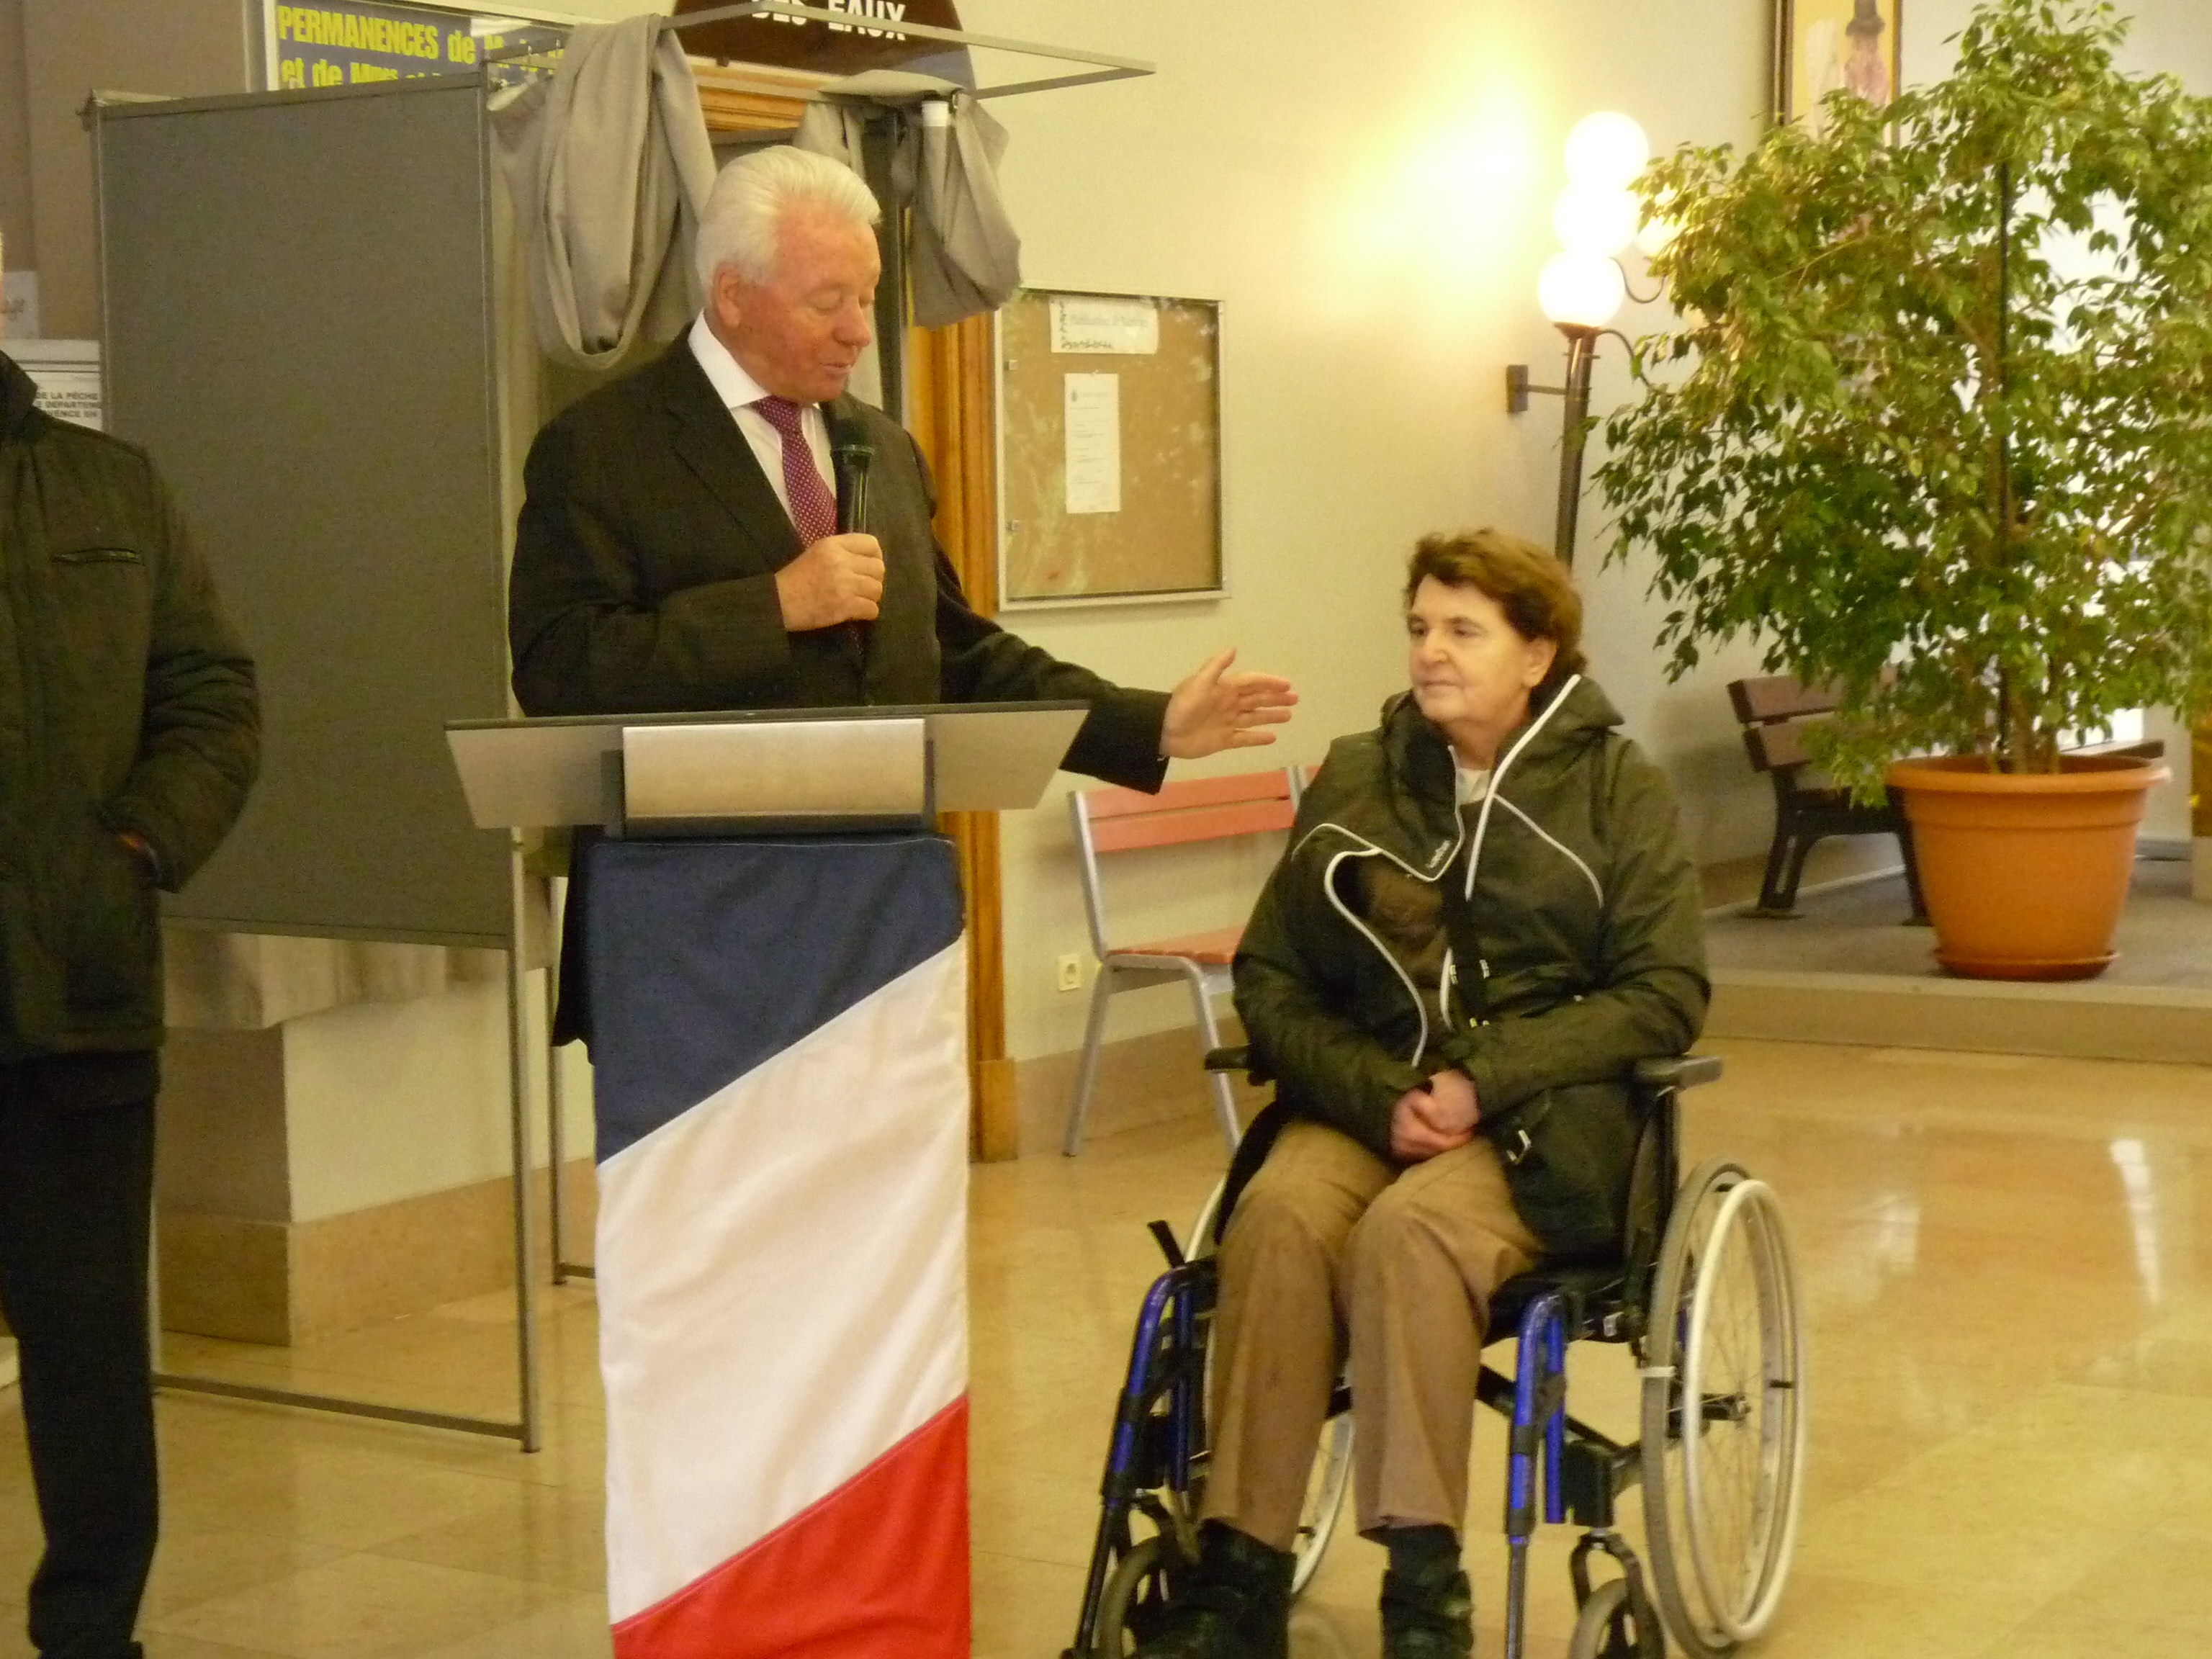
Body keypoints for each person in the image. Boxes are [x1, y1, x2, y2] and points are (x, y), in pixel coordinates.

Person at [1138, 531, 1707, 1659]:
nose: (1431, 652)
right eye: (1419, 628)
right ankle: (1241, 1569)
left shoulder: (1615, 791)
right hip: (1371, 1097)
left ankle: (1424, 1584)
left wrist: (1481, 1082)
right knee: (1280, 1217)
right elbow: (1272, 976)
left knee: (1410, 1234)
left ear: (1537, 654)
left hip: (1544, 1121)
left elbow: (1664, 993)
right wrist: (1382, 1093)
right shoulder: (1362, 776)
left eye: (1463, 631)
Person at [506, 142, 1292, 777]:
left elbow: (957, 656)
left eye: (868, 296)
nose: (858, 331)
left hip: (891, 880)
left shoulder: (880, 447)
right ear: (734, 295)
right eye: (828, 302)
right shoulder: (601, 447)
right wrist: (772, 606)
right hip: (700, 895)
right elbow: (559, 673)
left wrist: (1150, 723)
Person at [0, 330, 260, 1659]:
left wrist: (137, 848)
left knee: (88, 1353)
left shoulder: (113, 486)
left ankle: (93, 1633)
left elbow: (212, 694)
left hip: (78, 993)